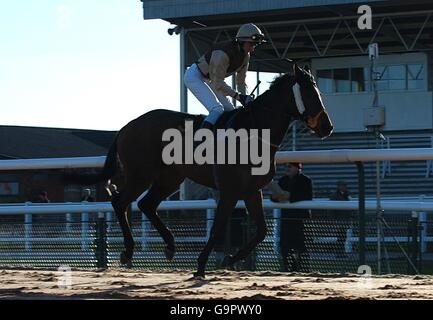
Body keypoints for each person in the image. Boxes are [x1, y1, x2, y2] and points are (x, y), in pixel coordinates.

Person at [184, 23, 266, 130]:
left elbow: (241, 82)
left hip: (210, 79)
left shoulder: (245, 56)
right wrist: (238, 96)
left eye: (255, 45)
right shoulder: (221, 54)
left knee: (231, 110)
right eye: (251, 44)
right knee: (217, 109)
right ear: (241, 42)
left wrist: (245, 98)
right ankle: (200, 140)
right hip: (194, 76)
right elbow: (218, 83)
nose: (253, 48)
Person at [269, 162, 313, 272]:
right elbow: (274, 197)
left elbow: (307, 196)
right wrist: (276, 196)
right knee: (285, 247)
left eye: (290, 166)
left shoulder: (305, 180)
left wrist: (289, 196)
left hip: (301, 220)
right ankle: (287, 269)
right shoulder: (283, 180)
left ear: (298, 168)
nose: (287, 168)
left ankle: (303, 270)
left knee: (302, 247)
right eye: (286, 166)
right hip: (287, 219)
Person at [329, 180, 352, 258]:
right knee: (340, 237)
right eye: (342, 186)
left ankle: (340, 253)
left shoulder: (347, 195)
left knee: (343, 237)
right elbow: (331, 209)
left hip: (345, 219)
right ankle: (339, 253)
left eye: (345, 186)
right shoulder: (335, 195)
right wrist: (333, 220)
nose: (344, 187)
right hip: (339, 220)